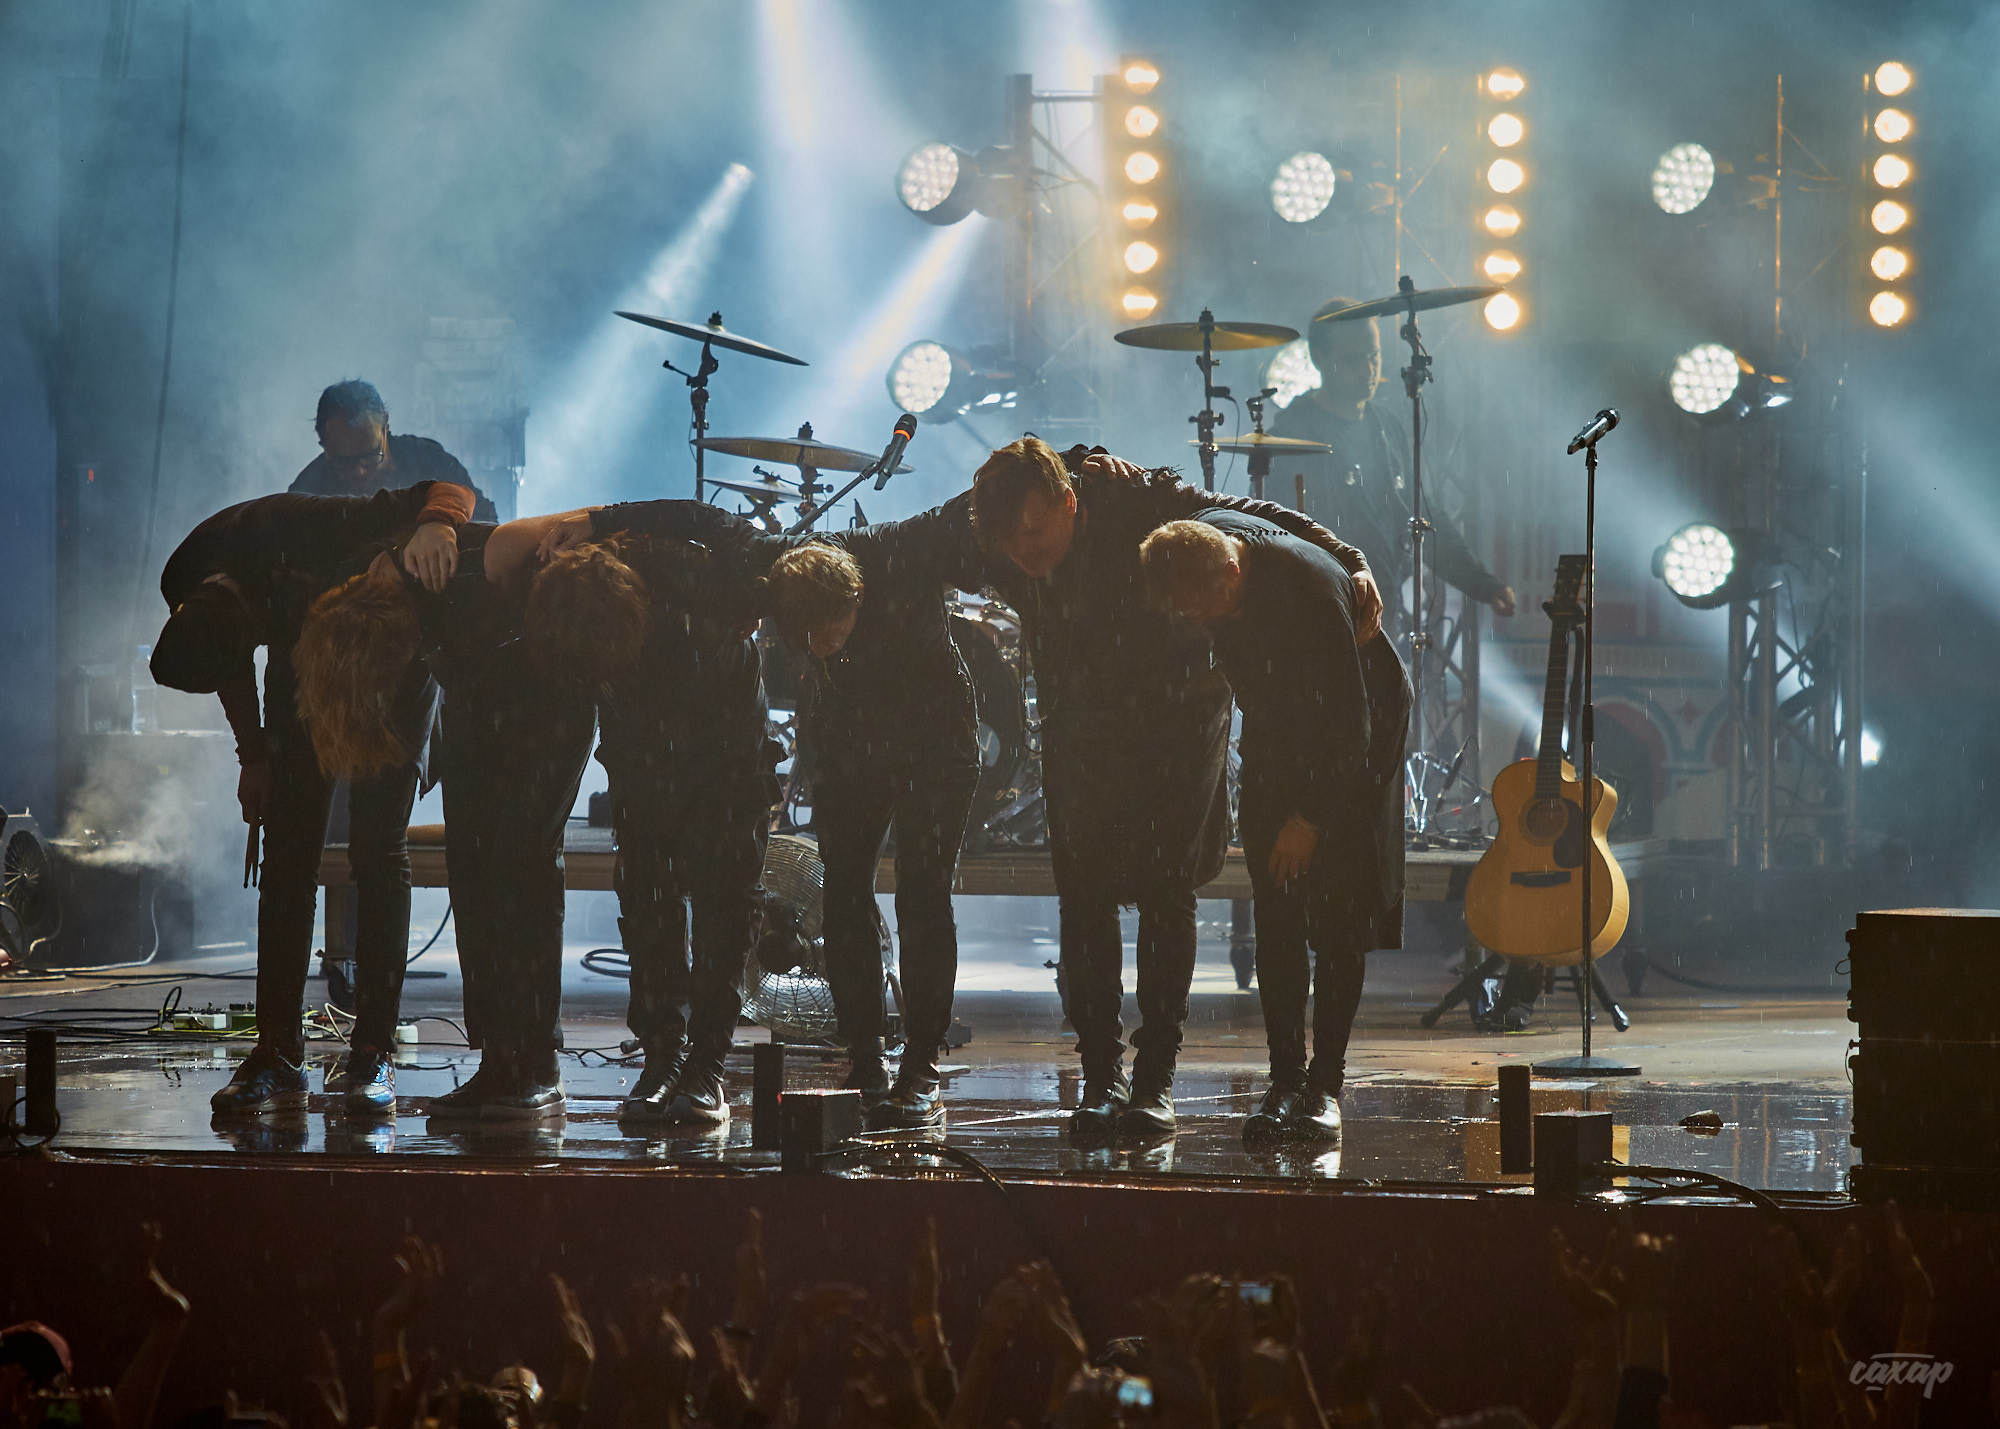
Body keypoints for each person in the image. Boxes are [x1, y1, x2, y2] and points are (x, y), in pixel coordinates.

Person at [960, 439, 1382, 1142]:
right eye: (1009, 542)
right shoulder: (1001, 517)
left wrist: (1354, 559)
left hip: (1177, 727)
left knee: (1166, 895)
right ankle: (1101, 1077)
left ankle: (1155, 1079)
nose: (1022, 550)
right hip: (1081, 734)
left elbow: (1259, 518)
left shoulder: (1137, 497)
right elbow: (912, 542)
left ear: (1069, 502)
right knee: (1084, 902)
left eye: (1033, 533)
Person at [538, 499, 982, 1131]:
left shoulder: (880, 554)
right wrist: (595, 522)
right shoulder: (712, 573)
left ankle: (907, 1066)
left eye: (823, 638)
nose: (816, 652)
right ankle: (677, 1058)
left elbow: (962, 515)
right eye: (804, 644)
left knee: (915, 898)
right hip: (708, 743)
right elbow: (692, 514)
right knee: (662, 896)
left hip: (898, 739)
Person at [152, 480, 478, 1116]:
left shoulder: (313, 522)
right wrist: (255, 756)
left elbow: (449, 490)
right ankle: (278, 1052)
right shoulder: (187, 576)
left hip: (389, 654)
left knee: (377, 849)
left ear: (249, 603)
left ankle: (372, 1054)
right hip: (301, 660)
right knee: (287, 854)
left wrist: (439, 524)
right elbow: (227, 664)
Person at [293, 512, 597, 1120]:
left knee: (524, 869)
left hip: (550, 700)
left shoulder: (443, 577)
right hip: (481, 704)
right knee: (474, 872)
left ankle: (537, 1063)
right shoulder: (394, 602)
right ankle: (499, 1060)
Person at [1140, 515, 1409, 1142]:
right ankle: (1285, 1080)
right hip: (1280, 733)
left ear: (1235, 570)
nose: (1203, 622)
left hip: (1358, 732)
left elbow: (1350, 726)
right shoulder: (1205, 539)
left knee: (1339, 922)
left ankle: (1326, 1088)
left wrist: (1309, 819)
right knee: (1277, 914)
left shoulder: (1306, 595)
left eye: (1210, 608)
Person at [517, 517, 777, 1130]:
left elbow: (733, 541)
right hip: (641, 751)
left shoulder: (688, 575)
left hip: (725, 749)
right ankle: (662, 1056)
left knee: (723, 906)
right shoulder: (577, 604)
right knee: (649, 903)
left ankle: (709, 1065)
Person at [1253, 299, 1515, 634]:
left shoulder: (1387, 429)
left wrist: (1484, 586)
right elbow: (1268, 536)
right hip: (1317, 619)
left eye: (1373, 355)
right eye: (1352, 359)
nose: (1368, 369)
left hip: (1383, 615)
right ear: (1319, 359)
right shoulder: (1290, 436)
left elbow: (1424, 516)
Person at [292, 379, 499, 519]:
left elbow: (485, 518)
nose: (359, 471)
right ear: (322, 442)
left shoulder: (429, 461)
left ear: (386, 426)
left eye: (370, 455)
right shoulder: (307, 490)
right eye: (343, 461)